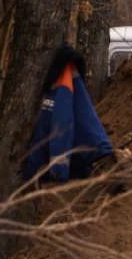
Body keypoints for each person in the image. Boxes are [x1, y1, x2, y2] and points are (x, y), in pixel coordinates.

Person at [22, 43, 114, 184]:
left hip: (66, 161)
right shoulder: (68, 75)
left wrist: (58, 171)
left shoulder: (63, 77)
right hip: (83, 153)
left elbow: (62, 122)